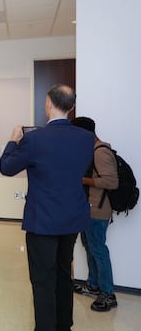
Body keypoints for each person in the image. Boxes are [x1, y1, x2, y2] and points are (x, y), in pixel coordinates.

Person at [0, 84, 94, 331]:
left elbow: (6, 167)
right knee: (64, 273)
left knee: (42, 279)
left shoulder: (34, 139)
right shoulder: (86, 139)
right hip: (72, 218)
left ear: (48, 104)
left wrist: (12, 140)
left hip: (43, 220)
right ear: (72, 107)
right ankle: (64, 325)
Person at [71, 116, 119, 312]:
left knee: (98, 249)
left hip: (98, 210)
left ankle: (108, 294)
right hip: (88, 208)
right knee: (90, 247)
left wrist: (84, 180)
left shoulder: (101, 153)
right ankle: (93, 285)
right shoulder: (91, 151)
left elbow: (112, 182)